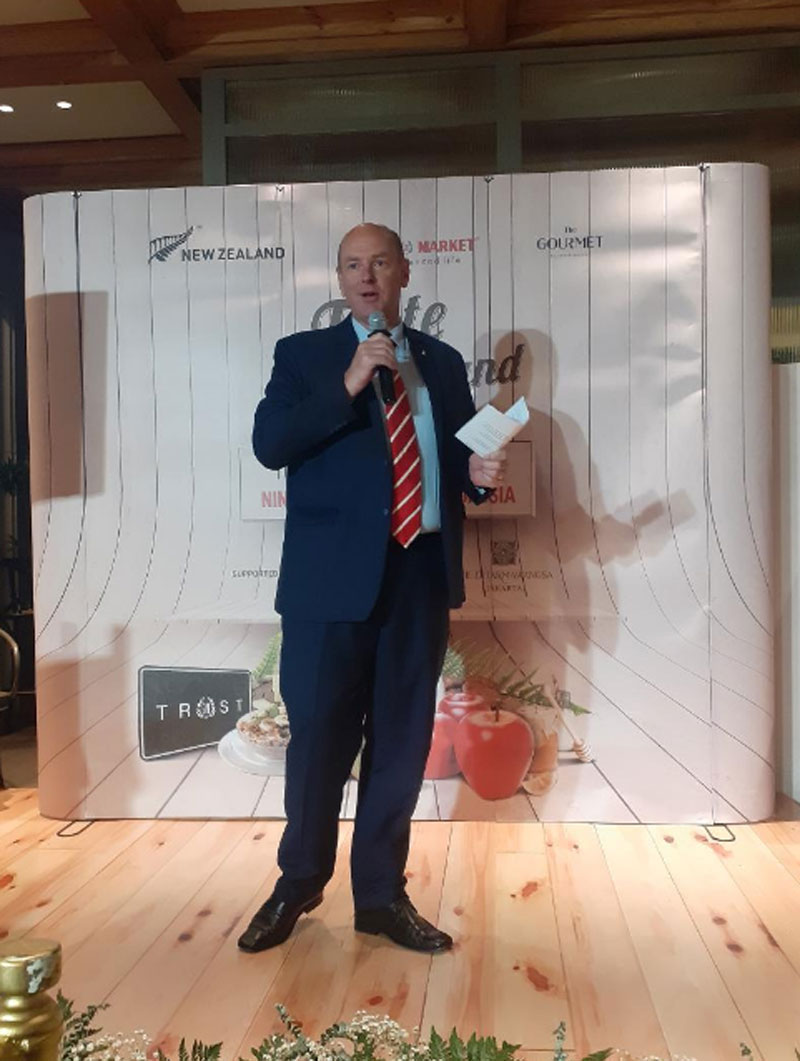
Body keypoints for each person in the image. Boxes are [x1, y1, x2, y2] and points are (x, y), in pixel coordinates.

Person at [238, 223, 506, 955]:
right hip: (328, 589)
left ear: (404, 272)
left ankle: (382, 895)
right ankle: (299, 882)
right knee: (319, 743)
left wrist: (478, 477)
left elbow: (456, 457)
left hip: (418, 578)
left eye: (380, 262)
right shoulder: (304, 357)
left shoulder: (442, 363)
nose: (367, 276)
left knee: (400, 746)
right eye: (353, 265)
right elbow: (269, 445)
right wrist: (349, 381)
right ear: (340, 279)